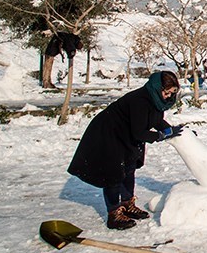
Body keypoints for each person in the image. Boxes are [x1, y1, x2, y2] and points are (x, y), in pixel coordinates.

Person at [67, 71, 183, 230]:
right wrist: (160, 135)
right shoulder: (140, 100)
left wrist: (172, 130)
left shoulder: (155, 100)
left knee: (129, 167)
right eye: (166, 92)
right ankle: (114, 213)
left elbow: (155, 119)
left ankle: (127, 204)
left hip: (125, 134)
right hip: (109, 133)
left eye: (171, 93)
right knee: (114, 173)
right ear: (157, 88)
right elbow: (139, 132)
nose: (168, 97)